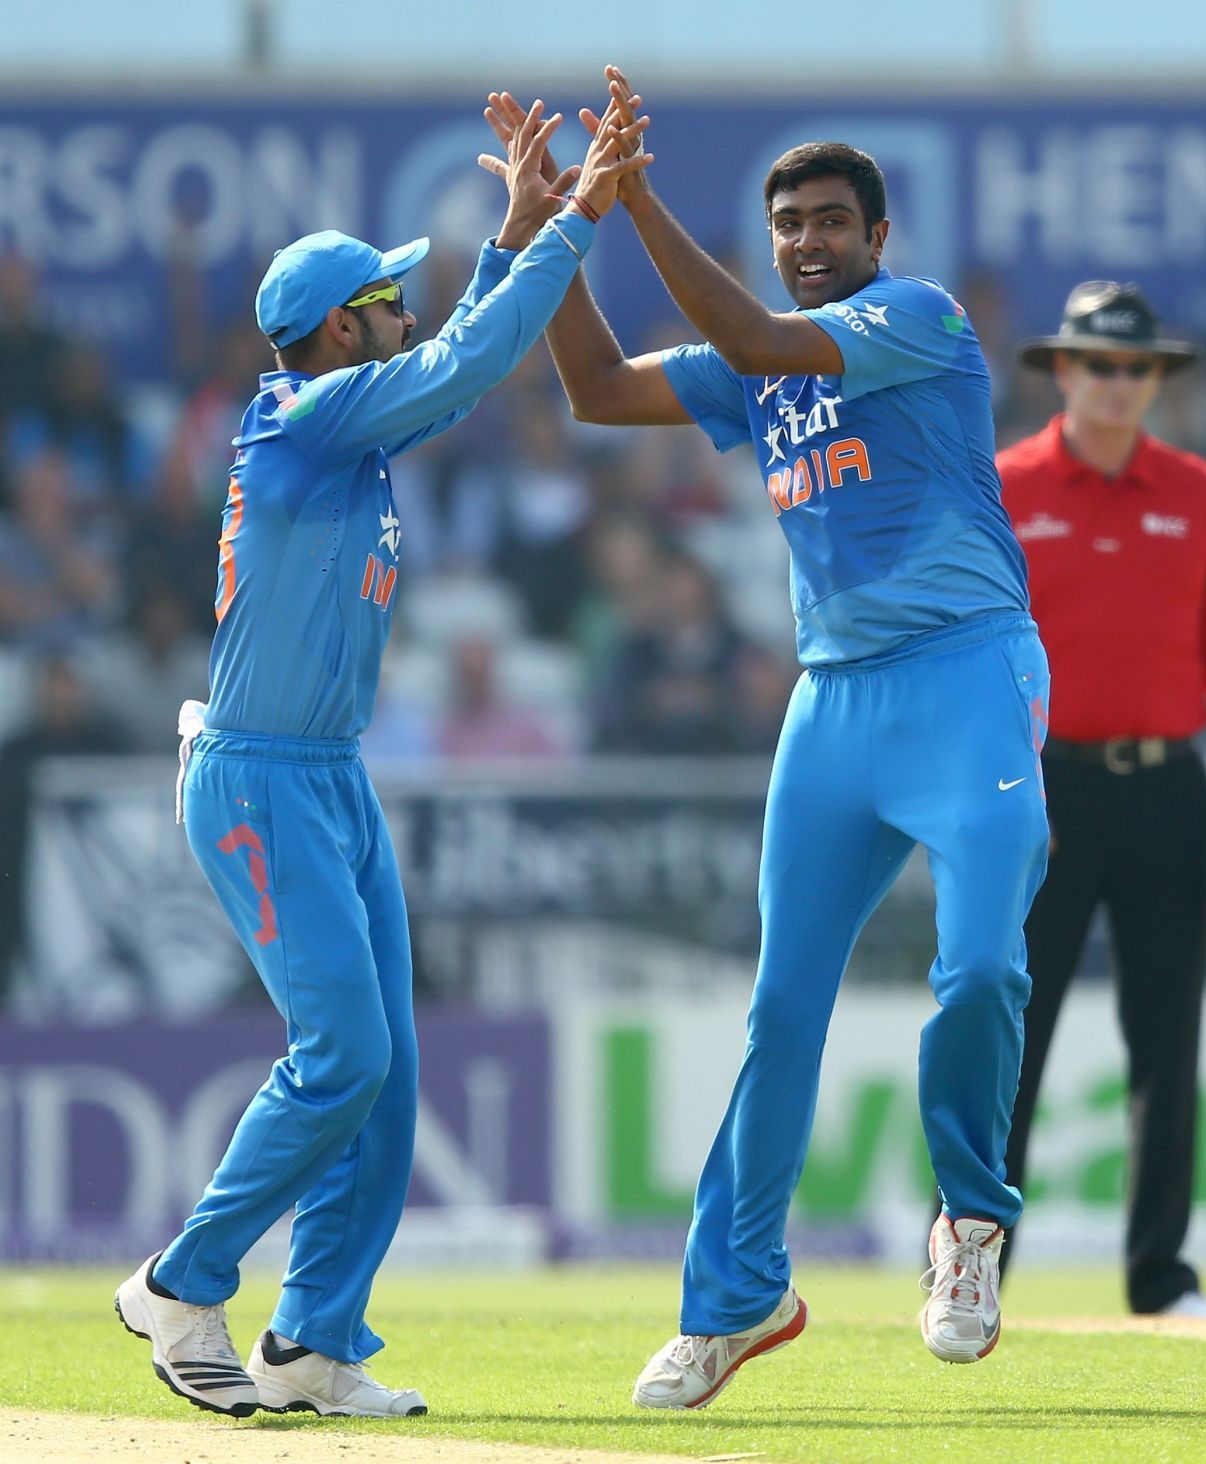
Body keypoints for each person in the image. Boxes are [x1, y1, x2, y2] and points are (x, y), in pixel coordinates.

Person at [487, 70, 1050, 1407]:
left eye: (830, 221)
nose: (808, 240)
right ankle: (736, 1297)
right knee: (780, 1009)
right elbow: (595, 388)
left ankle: (971, 1223)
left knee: (976, 972)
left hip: (967, 678)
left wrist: (632, 200)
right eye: (789, 221)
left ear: (877, 237)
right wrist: (548, 225)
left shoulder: (918, 320)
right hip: (834, 703)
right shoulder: (764, 372)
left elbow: (745, 331)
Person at [112, 100, 650, 1421]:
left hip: (332, 777)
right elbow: (468, 364)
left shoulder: (343, 420)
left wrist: (520, 224)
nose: (411, 310)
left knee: (389, 1077)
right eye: (391, 299)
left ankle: (311, 1344)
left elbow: (454, 349)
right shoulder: (305, 425)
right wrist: (576, 221)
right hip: (256, 775)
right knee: (342, 1054)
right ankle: (182, 1281)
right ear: (343, 327)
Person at [996, 281, 1206, 1316]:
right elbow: (967, 656)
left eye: (1136, 367)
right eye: (1098, 363)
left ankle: (1160, 1276)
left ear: (1157, 379)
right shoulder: (1003, 485)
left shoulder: (1200, 492)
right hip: (1037, 795)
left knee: (1167, 1038)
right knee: (1007, 1036)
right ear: (1062, 370)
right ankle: (972, 1268)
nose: (1118, 384)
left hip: (1166, 788)